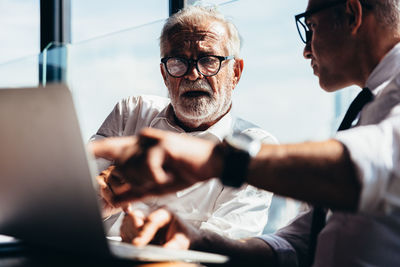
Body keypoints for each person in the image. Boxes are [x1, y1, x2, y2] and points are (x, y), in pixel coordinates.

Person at [91, 0, 400, 266]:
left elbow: (379, 161)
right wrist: (195, 241)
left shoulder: (383, 113)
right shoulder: (370, 108)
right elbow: (297, 245)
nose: (306, 50)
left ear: (352, 15)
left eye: (311, 26)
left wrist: (219, 161)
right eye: (178, 63)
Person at [92, 5, 278, 240]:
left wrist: (154, 237)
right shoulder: (132, 112)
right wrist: (98, 203)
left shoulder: (253, 149)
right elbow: (66, 201)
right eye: (178, 62)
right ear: (164, 74)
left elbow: (222, 251)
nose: (193, 74)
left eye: (209, 60)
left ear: (236, 73)